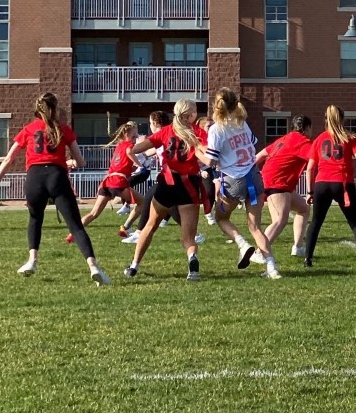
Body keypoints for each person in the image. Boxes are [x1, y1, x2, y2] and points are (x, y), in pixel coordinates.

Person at [0, 93, 110, 284]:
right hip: (57, 176)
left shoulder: (28, 129)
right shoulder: (63, 129)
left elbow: (8, 158)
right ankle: (93, 266)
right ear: (54, 109)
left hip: (34, 177)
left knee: (35, 219)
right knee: (76, 225)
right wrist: (69, 162)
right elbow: (80, 160)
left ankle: (32, 260)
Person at [124, 100, 208, 281]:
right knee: (188, 236)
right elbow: (207, 153)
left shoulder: (166, 131)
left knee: (150, 226)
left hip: (167, 183)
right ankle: (192, 262)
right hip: (189, 184)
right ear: (192, 114)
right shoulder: (198, 132)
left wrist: (131, 148)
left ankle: (134, 265)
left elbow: (138, 148)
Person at [204, 88, 281, 279]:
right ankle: (271, 267)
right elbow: (251, 145)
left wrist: (197, 147)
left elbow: (210, 162)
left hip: (233, 179)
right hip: (254, 175)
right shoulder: (241, 123)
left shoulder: (216, 129)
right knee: (255, 227)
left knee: (221, 217)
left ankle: (242, 244)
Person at [303, 105, 356, 271]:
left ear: (326, 119)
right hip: (343, 183)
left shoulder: (319, 139)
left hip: (322, 183)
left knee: (316, 222)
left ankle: (308, 259)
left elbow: (310, 168)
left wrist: (310, 191)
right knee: (355, 223)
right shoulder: (350, 138)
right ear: (342, 120)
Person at [67, 120, 147, 240]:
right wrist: (140, 165)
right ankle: (126, 227)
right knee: (143, 202)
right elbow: (130, 152)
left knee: (94, 213)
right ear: (126, 135)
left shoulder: (119, 146)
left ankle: (73, 234)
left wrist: (132, 165)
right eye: (133, 136)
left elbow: (122, 161)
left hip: (107, 182)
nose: (135, 138)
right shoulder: (128, 146)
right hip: (118, 182)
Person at [255, 115, 312, 258]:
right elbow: (314, 159)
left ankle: (298, 247)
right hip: (277, 181)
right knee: (280, 220)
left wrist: (251, 173)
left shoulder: (283, 139)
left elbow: (260, 156)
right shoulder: (303, 141)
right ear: (307, 128)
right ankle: (258, 252)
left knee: (303, 209)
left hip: (276, 180)